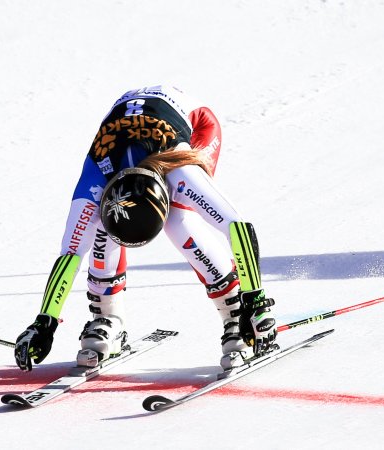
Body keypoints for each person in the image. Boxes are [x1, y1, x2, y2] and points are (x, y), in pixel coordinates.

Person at [14, 85, 277, 372]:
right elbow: (71, 253)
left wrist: (255, 299)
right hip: (126, 136)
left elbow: (237, 226)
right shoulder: (95, 180)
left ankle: (234, 314)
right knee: (104, 222)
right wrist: (45, 321)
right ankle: (107, 316)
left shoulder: (180, 172)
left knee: (179, 223)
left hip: (197, 123)